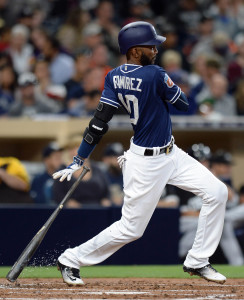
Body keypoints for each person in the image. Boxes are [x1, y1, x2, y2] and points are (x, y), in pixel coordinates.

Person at [53, 21, 228, 285]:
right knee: (131, 229)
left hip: (172, 153)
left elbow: (98, 123)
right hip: (146, 163)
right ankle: (70, 258)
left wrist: (78, 158)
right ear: (135, 50)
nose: (156, 49)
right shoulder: (155, 74)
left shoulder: (113, 76)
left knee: (217, 192)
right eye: (151, 45)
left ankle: (197, 260)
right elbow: (183, 103)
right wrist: (168, 84)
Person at [52, 136, 111, 208]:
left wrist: (106, 200)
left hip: (97, 208)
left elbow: (106, 191)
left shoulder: (97, 169)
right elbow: (58, 193)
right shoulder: (64, 170)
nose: (75, 151)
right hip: (73, 211)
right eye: (72, 148)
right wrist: (67, 203)